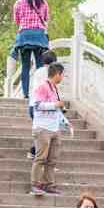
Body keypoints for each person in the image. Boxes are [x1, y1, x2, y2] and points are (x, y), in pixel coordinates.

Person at [30, 62, 67, 197]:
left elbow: (55, 107)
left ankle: (48, 184)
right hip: (42, 127)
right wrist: (54, 104)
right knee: (41, 158)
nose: (62, 77)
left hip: (54, 127)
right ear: (57, 73)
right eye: (62, 74)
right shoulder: (42, 87)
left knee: (52, 158)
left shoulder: (54, 88)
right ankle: (35, 184)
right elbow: (37, 105)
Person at [11, 0, 50, 99]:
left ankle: (26, 94)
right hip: (39, 36)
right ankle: (40, 94)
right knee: (40, 66)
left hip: (24, 37)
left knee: (25, 66)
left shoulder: (18, 3)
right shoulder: (43, 3)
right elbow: (46, 18)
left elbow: (17, 20)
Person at [28, 48, 60, 160]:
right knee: (47, 131)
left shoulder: (37, 72)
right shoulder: (51, 73)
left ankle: (34, 152)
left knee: (41, 131)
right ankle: (37, 153)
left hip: (33, 105)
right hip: (44, 106)